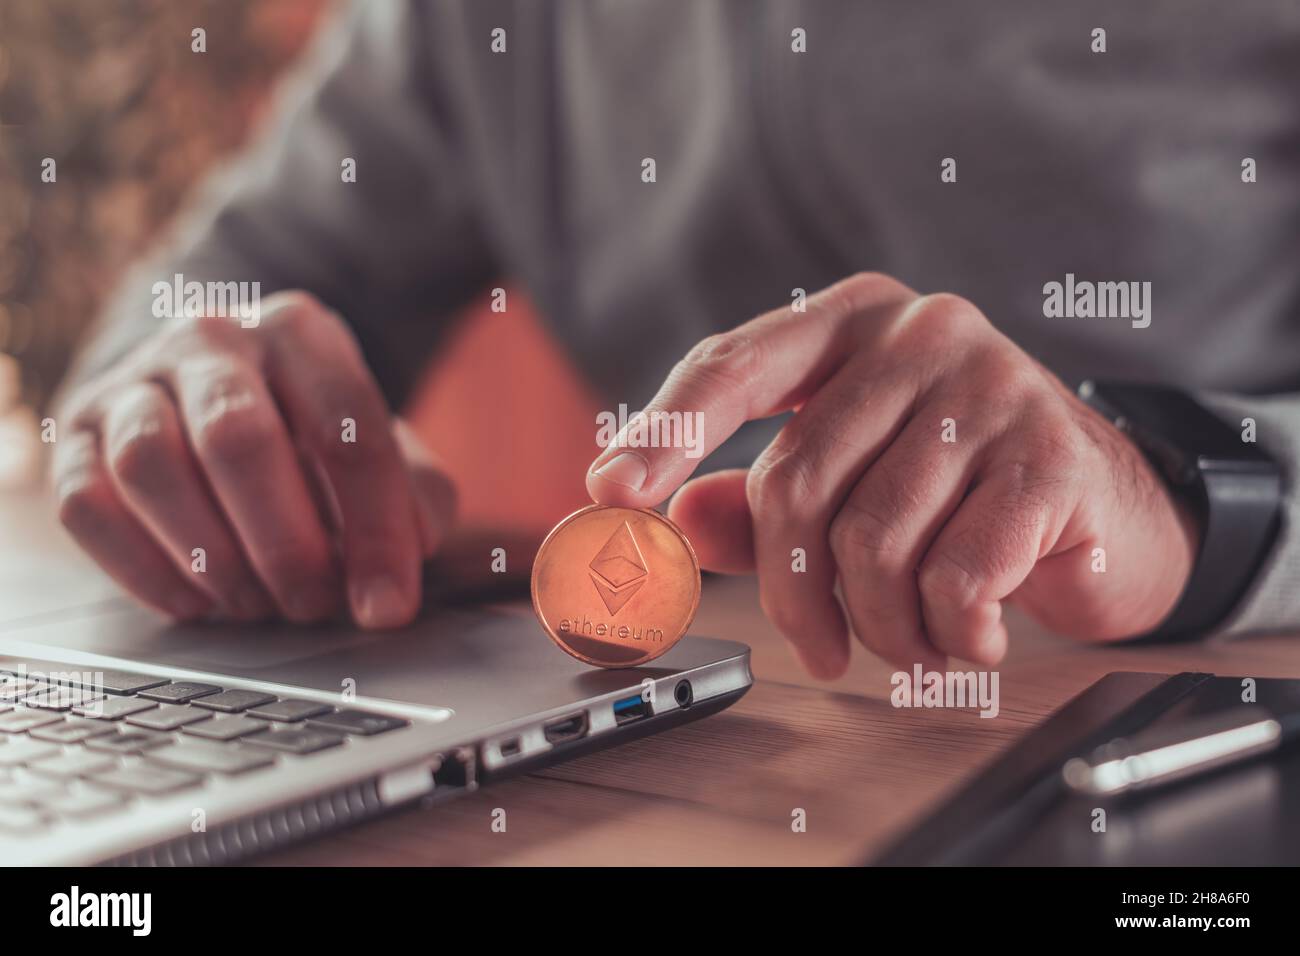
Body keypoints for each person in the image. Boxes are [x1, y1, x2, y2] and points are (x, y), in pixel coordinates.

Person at [50, 1, 1300, 679]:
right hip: (752, 741)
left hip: (1186, 703)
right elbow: (205, 292)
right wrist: (164, 392)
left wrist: (1183, 499)